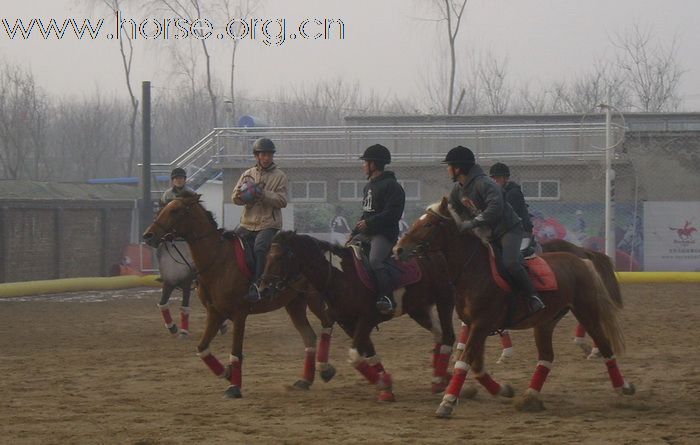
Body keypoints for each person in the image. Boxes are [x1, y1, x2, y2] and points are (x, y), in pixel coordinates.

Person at [443, 146, 544, 315]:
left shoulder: (485, 183)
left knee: (510, 262)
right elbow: (453, 208)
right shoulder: (458, 190)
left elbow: (495, 208)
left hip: (508, 230)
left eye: (449, 166)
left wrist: (472, 223)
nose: (447, 170)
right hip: (487, 233)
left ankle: (533, 296)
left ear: (458, 168)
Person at [349, 144, 405, 315]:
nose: (363, 165)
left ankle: (387, 298)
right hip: (366, 233)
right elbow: (366, 215)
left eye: (365, 162)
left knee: (375, 261)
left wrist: (370, 223)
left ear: (373, 164)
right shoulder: (368, 187)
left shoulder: (392, 186)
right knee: (346, 255)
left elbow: (392, 214)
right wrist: (352, 234)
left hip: (384, 235)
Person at [232, 137, 288, 303]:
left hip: (268, 224)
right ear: (256, 156)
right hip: (247, 223)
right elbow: (235, 197)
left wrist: (263, 194)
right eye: (263, 154)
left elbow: (282, 201)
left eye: (269, 154)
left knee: (260, 248)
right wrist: (243, 195)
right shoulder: (247, 174)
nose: (266, 157)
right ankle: (235, 282)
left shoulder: (280, 176)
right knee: (230, 244)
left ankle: (256, 285)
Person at [488, 162, 536, 252]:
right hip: (507, 232)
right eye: (492, 178)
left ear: (505, 178)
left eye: (497, 178)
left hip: (522, 233)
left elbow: (502, 215)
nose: (494, 181)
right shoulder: (497, 194)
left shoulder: (513, 194)